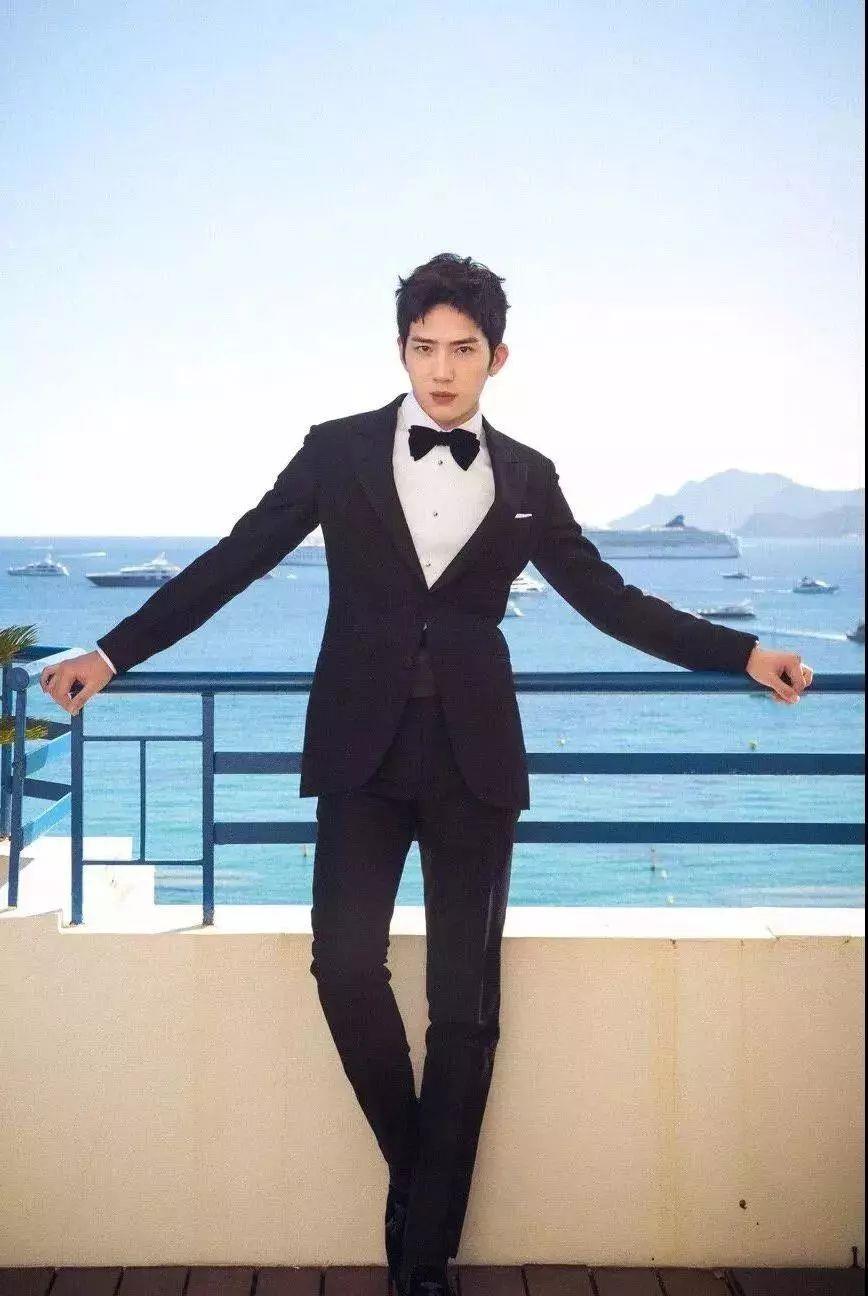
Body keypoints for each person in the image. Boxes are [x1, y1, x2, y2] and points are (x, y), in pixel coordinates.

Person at [40, 251, 813, 1295]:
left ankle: (421, 1261)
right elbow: (233, 561)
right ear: (400, 351)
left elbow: (609, 601)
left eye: (462, 351)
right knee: (343, 969)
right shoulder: (337, 450)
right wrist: (111, 653)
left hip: (474, 761)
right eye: (423, 348)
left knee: (465, 1008)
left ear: (498, 358)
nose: (441, 371)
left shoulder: (529, 476)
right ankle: (423, 1182)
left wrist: (743, 651)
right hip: (358, 753)